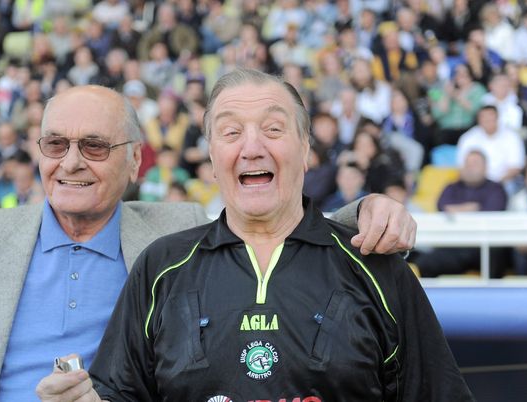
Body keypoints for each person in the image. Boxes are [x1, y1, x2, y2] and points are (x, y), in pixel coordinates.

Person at [0, 85, 416, 401]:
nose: (71, 162)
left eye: (94, 145)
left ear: (135, 161)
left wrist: (367, 210)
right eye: (55, 144)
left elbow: (266, 224)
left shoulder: (169, 231)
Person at [37, 71, 468, 401]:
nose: (252, 147)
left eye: (274, 129)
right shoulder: (162, 267)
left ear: (306, 149)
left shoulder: (376, 266)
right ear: (211, 155)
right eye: (230, 132)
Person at [414, 150, 508, 278]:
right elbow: (442, 206)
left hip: (483, 246)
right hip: (454, 244)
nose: (469, 168)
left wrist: (457, 210)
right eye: (467, 163)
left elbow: (493, 211)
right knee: (425, 262)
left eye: (475, 164)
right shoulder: (452, 187)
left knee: (496, 254)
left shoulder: (495, 188)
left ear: (485, 168)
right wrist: (473, 208)